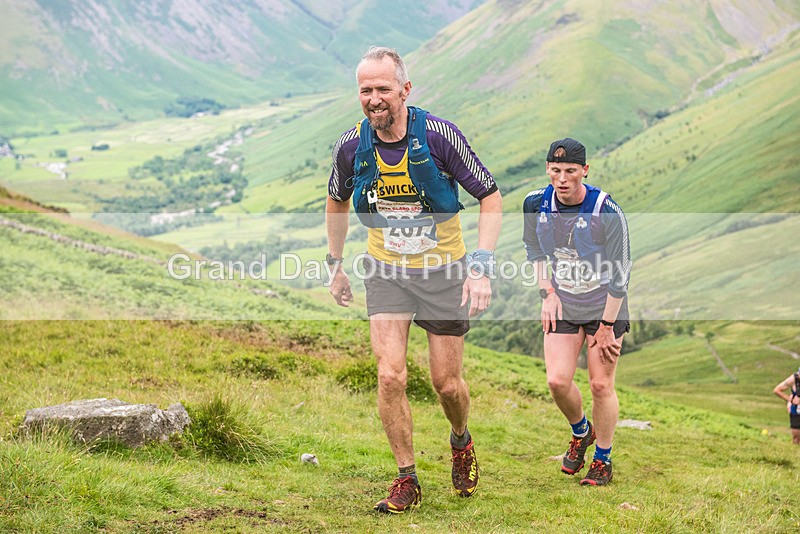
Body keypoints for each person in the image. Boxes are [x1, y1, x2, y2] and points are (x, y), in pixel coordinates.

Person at [326, 46, 502, 513]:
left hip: (444, 272)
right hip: (386, 271)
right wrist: (335, 263)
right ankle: (407, 478)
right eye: (365, 90)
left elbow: (490, 196)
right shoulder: (351, 146)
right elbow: (336, 200)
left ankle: (460, 439)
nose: (374, 99)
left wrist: (480, 266)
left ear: (405, 89)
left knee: (447, 384)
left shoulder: (440, 137)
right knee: (390, 375)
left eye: (383, 89)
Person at [522, 138, 631, 486]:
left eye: (570, 171)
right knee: (557, 381)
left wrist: (607, 325)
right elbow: (534, 250)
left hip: (605, 306)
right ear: (547, 169)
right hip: (564, 303)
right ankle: (582, 432)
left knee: (600, 384)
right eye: (555, 170)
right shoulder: (534, 203)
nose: (562, 178)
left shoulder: (607, 211)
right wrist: (547, 293)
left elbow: (621, 275)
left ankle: (603, 459)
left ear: (584, 170)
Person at [772, 367, 800, 445]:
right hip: (796, 411)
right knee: (796, 437)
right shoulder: (794, 379)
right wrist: (791, 400)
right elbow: (777, 390)